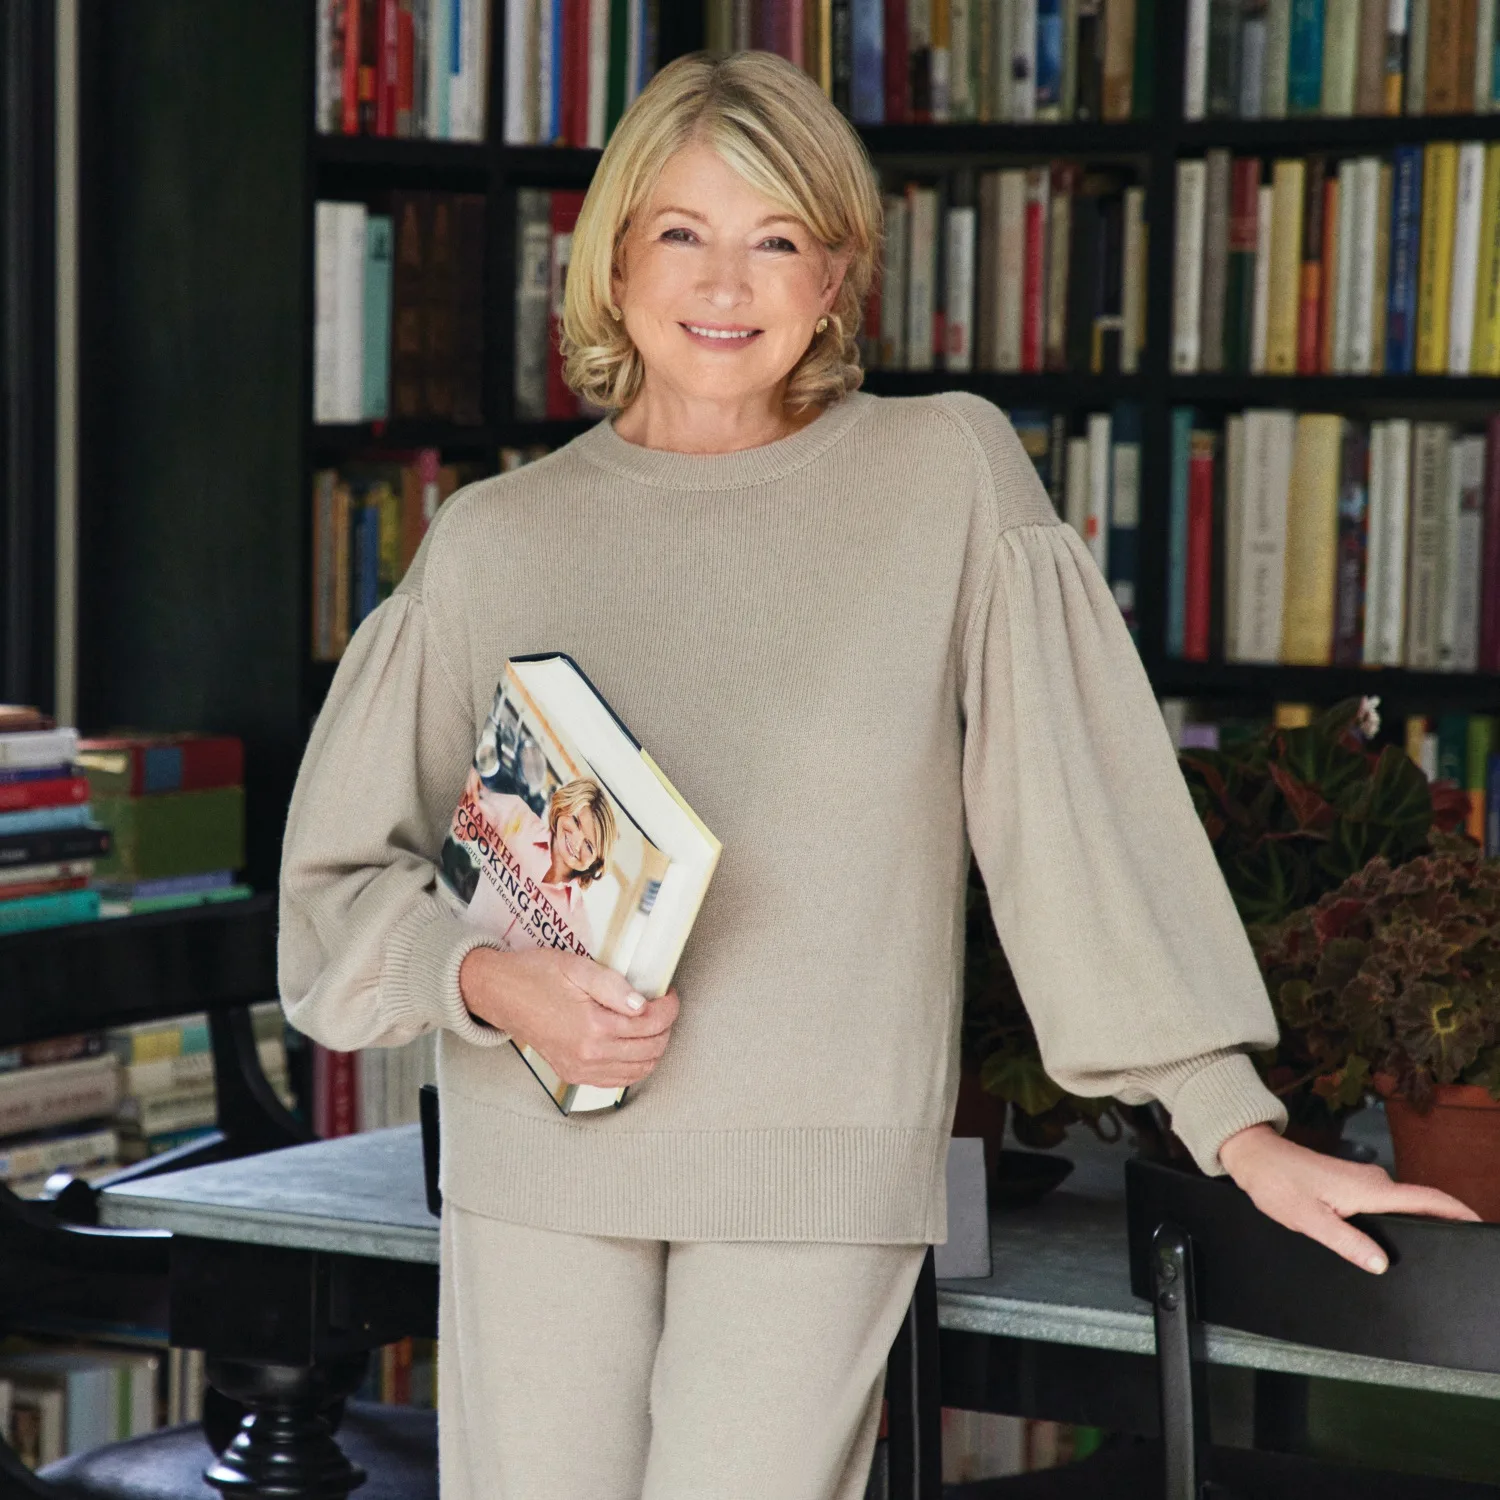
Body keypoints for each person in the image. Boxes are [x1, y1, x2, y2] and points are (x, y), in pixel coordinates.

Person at [277, 49, 1477, 1500]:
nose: (727, 283)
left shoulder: (946, 475)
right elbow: (335, 893)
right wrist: (483, 981)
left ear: (836, 274)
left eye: (778, 239)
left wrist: (1231, 1123)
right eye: (683, 231)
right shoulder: (492, 540)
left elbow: (1073, 821)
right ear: (613, 259)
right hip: (533, 1167)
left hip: (817, 1185)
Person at [466, 774, 616, 957]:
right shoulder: (516, 815)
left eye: (589, 846)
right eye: (576, 821)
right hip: (458, 942)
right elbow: (464, 817)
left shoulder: (580, 934)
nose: (577, 842)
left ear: (596, 863)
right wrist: (466, 782)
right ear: (563, 807)